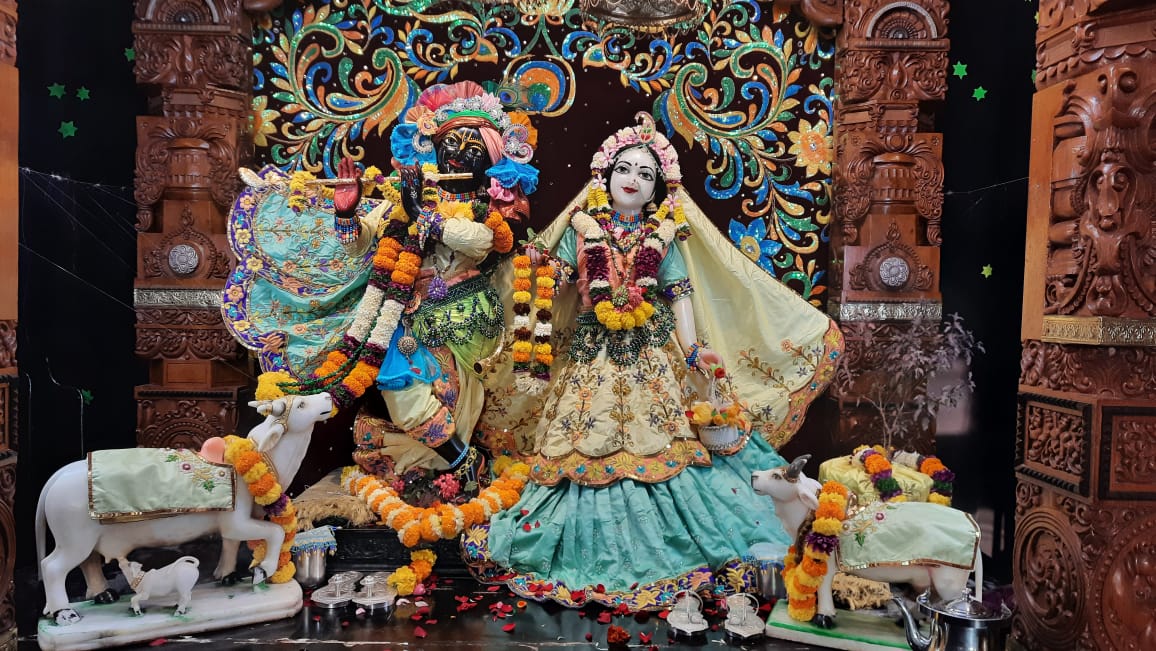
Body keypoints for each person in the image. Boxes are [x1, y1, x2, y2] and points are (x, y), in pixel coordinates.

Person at [462, 113, 844, 610]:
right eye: (625, 168)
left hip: (650, 355)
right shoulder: (582, 228)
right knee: (582, 445)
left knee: (664, 448)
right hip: (592, 355)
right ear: (604, 176)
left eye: (646, 174)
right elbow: (555, 283)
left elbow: (679, 295)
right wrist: (538, 268)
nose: (634, 179)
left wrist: (693, 350)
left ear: (656, 191)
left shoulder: (663, 236)